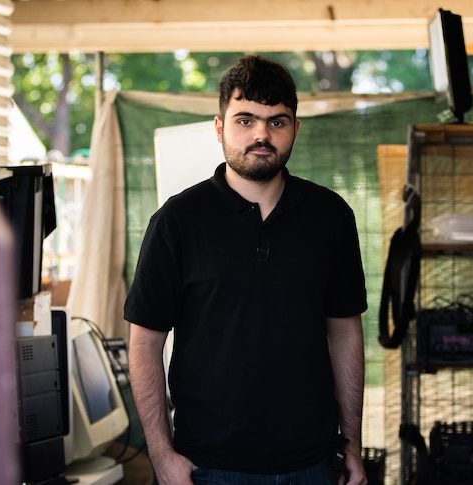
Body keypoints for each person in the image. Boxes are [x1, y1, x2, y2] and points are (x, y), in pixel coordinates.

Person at [125, 55, 369, 485]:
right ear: (219, 128)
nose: (261, 134)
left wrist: (351, 442)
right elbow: (145, 344)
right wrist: (162, 455)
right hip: (207, 465)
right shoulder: (177, 221)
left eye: (277, 121)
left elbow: (345, 333)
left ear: (296, 128)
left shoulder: (331, 217)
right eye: (245, 120)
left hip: (313, 463)